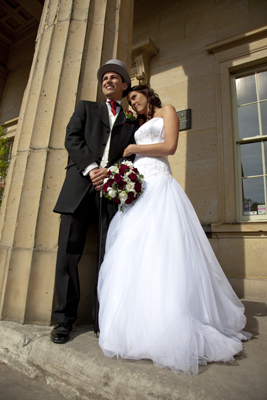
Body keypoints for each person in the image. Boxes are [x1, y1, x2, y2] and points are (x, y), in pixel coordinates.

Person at [97, 85, 252, 375]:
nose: (133, 103)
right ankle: (139, 325)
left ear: (148, 94)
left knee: (165, 253)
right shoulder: (139, 124)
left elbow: (169, 147)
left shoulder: (167, 111)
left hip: (160, 188)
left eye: (135, 97)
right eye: (129, 101)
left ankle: (174, 321)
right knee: (136, 255)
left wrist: (133, 148)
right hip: (139, 191)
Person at [51, 60, 138, 344]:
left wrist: (112, 175)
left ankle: (103, 319)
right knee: (68, 255)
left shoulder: (131, 123)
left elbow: (128, 159)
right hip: (78, 187)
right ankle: (64, 320)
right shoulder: (85, 108)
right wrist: (91, 168)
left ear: (124, 85)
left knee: (107, 257)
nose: (108, 80)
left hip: (110, 195)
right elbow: (72, 138)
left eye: (115, 77)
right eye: (105, 77)